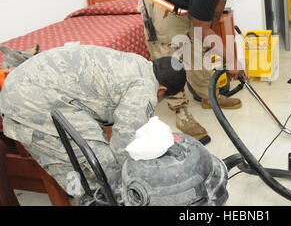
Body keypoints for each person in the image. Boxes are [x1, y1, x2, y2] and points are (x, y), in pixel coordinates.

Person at [0, 44, 186, 199]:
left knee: (87, 160)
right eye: (161, 98)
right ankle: (96, 199)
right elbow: (124, 145)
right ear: (162, 89)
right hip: (30, 100)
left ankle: (92, 196)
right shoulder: (145, 88)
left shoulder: (138, 62)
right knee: (101, 167)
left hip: (30, 82)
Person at [138, 0, 260, 143]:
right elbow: (205, 29)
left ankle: (208, 96)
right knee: (171, 59)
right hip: (160, 1)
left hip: (184, 2)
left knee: (198, 49)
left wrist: (206, 38)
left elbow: (217, 10)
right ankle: (181, 113)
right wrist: (231, 60)